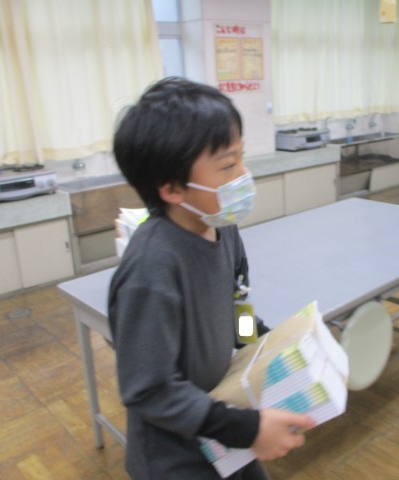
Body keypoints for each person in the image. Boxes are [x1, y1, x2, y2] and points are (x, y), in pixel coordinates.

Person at [108, 77, 315, 479]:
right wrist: (247, 428)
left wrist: (262, 345)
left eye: (241, 159)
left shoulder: (223, 227)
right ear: (172, 189)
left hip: (225, 425)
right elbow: (149, 389)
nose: (244, 175)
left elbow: (237, 304)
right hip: (177, 457)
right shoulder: (151, 270)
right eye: (227, 165)